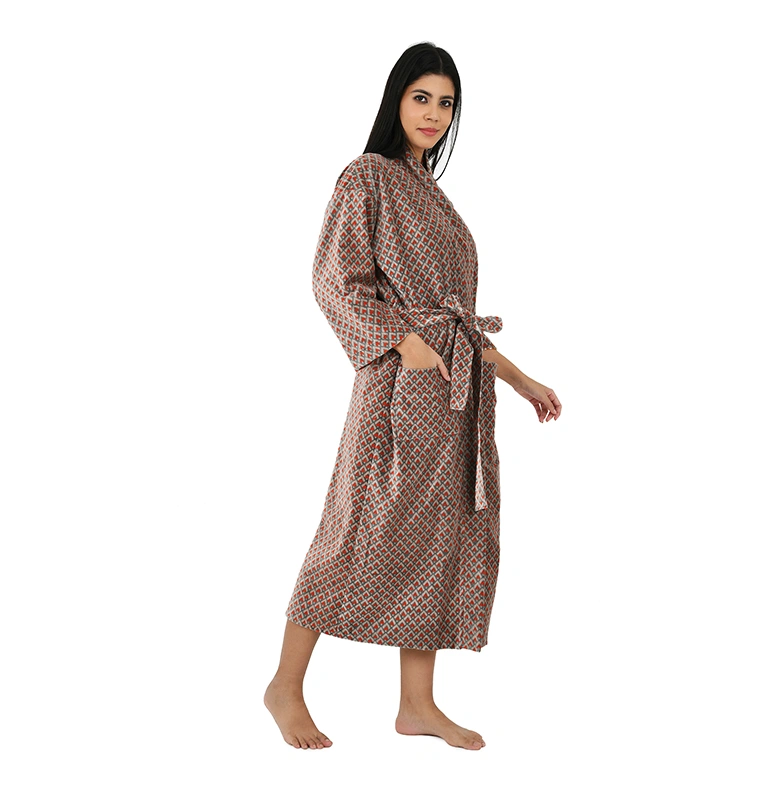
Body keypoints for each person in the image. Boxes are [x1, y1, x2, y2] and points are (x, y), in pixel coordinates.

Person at [264, 41, 561, 752]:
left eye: (446, 102)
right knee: (356, 529)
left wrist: (521, 380)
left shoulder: (431, 191)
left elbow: (457, 318)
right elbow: (333, 280)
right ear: (396, 98)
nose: (433, 113)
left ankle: (417, 704)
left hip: (455, 394)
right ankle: (285, 685)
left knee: (437, 539)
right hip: (398, 388)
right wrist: (404, 343)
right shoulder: (367, 176)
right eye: (421, 97)